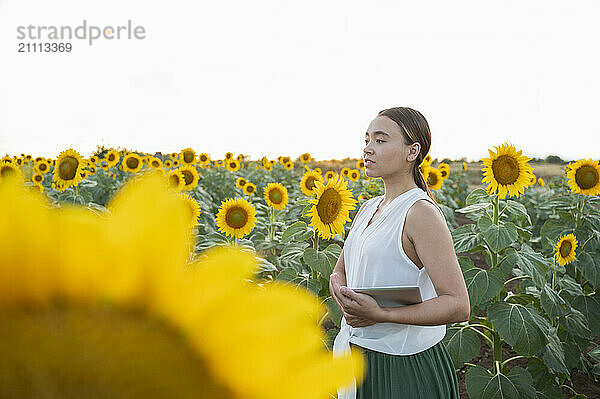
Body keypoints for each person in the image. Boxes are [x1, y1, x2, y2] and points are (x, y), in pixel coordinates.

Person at [330, 107, 470, 399]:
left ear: (412, 151)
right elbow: (342, 269)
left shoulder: (420, 213)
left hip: (402, 367)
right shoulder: (369, 207)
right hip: (358, 358)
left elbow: (458, 304)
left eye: (380, 140)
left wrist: (381, 313)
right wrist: (340, 290)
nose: (368, 149)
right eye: (367, 139)